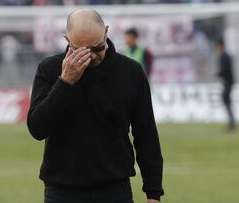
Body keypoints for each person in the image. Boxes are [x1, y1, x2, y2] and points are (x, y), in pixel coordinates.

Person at [27, 9, 164, 203]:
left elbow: (146, 135)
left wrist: (153, 193)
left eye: (97, 48)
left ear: (106, 32)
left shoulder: (130, 72)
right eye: (81, 50)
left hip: (115, 190)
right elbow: (37, 128)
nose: (90, 56)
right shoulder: (49, 69)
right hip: (62, 192)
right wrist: (64, 83)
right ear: (67, 40)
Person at [215, 38, 235, 132]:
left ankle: (232, 125)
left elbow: (226, 70)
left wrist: (218, 74)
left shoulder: (224, 56)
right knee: (226, 101)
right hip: (228, 82)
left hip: (228, 82)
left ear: (220, 45)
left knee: (226, 100)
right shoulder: (225, 56)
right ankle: (231, 124)